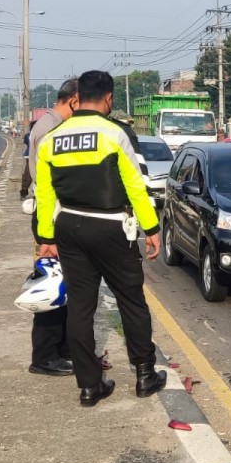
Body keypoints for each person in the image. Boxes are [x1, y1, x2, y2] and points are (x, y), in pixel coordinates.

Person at [34, 71, 165, 407]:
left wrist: (45, 237)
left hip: (68, 227)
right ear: (108, 99)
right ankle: (145, 376)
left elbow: (45, 194)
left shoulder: (53, 138)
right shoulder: (114, 133)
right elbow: (136, 186)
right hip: (111, 227)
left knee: (80, 306)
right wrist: (151, 230)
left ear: (77, 99)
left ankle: (90, 386)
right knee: (131, 300)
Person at [20, 79, 78, 377]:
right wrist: (49, 234)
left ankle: (62, 350)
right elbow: (46, 184)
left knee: (63, 287)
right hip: (49, 217)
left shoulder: (49, 124)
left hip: (51, 215)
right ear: (73, 101)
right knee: (52, 287)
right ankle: (44, 356)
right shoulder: (51, 129)